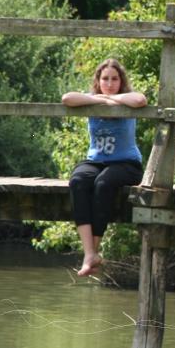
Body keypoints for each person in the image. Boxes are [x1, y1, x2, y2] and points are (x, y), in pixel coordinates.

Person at [62, 58, 147, 276]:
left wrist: (111, 100)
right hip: (96, 161)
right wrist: (99, 99)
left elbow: (140, 99)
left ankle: (94, 251)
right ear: (98, 81)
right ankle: (89, 253)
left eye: (114, 79)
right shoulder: (90, 99)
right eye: (105, 79)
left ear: (121, 81)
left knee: (103, 183)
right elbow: (67, 98)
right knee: (78, 181)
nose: (109, 83)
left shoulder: (127, 99)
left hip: (127, 164)